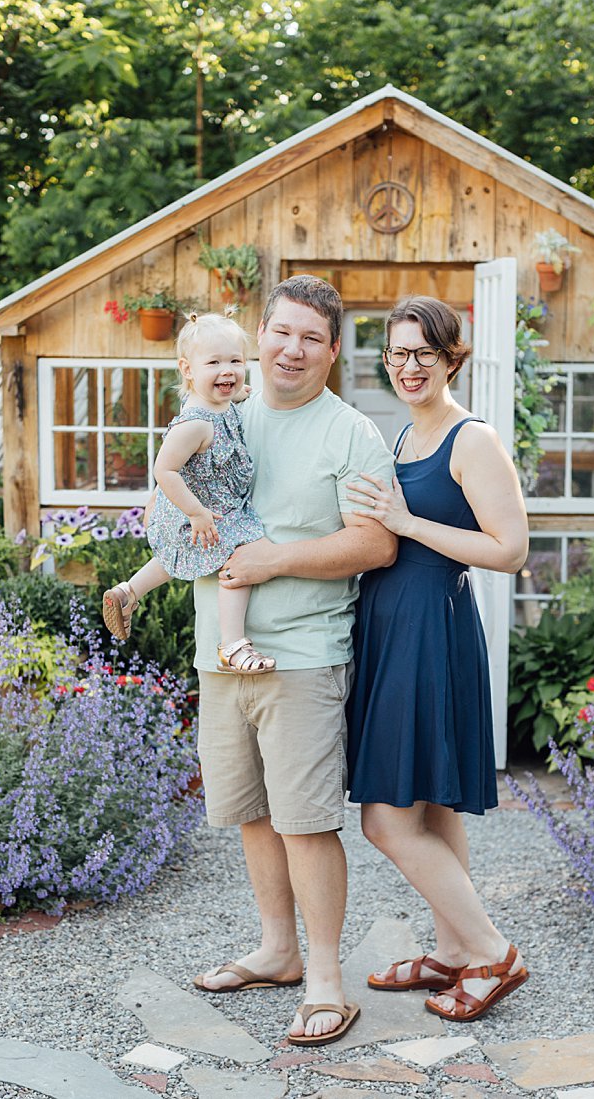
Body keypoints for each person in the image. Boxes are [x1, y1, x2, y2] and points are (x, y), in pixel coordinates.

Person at [188, 275, 398, 1049]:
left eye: (312, 337)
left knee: (306, 821)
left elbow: (375, 543)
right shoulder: (222, 416)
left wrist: (275, 561)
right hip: (221, 654)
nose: (292, 348)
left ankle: (325, 979)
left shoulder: (351, 432)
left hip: (302, 657)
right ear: (261, 332)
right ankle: (277, 951)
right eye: (281, 331)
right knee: (250, 811)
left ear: (333, 350)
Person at [343, 294, 531, 1022]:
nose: (407, 365)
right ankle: (453, 950)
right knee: (430, 800)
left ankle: (493, 952)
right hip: (391, 628)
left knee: (385, 819)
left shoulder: (470, 438)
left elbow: (509, 550)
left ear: (452, 358)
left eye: (422, 352)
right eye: (396, 353)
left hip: (432, 629)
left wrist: (405, 520)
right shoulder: (401, 438)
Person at [101, 313, 275, 674]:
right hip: (200, 509)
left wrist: (242, 393)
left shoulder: (217, 403)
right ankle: (232, 644)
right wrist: (196, 513)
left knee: (173, 558)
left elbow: (236, 394)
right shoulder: (196, 422)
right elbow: (163, 469)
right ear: (188, 369)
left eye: (235, 362)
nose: (227, 371)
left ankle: (128, 592)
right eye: (214, 362)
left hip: (198, 508)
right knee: (240, 555)